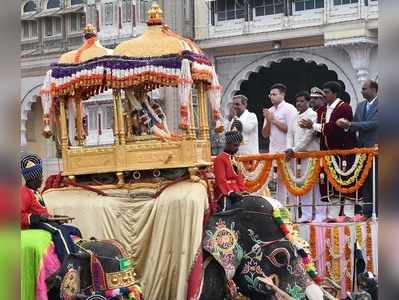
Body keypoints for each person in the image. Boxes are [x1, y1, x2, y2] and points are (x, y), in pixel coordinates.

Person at [300, 81, 356, 220]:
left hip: (343, 151)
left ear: (335, 93)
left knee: (346, 180)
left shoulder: (345, 108)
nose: (324, 94)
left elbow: (334, 129)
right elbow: (320, 131)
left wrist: (313, 126)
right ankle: (332, 215)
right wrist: (310, 127)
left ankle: (349, 214)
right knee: (331, 182)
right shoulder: (323, 110)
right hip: (327, 153)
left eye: (327, 92)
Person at [21, 153, 81, 262]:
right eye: (40, 177)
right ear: (33, 178)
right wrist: (36, 218)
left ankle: (80, 256)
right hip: (35, 226)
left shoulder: (36, 192)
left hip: (44, 222)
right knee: (59, 231)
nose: (42, 179)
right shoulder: (24, 192)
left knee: (74, 230)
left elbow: (43, 215)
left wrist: (56, 218)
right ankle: (70, 264)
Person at [336, 80, 378, 218]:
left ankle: (377, 211)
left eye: (364, 89)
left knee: (377, 180)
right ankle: (367, 211)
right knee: (365, 181)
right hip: (362, 149)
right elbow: (354, 125)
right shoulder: (361, 106)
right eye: (362, 89)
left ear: (373, 89)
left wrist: (351, 123)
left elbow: (374, 124)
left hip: (377, 149)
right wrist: (345, 125)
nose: (362, 91)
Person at [285, 91, 325, 223]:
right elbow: (289, 134)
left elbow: (308, 136)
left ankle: (320, 214)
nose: (299, 103)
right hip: (298, 155)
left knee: (316, 185)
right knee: (303, 184)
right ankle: (306, 214)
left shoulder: (313, 115)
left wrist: (294, 150)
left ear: (308, 102)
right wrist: (289, 149)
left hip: (311, 154)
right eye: (297, 101)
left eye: (302, 101)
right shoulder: (294, 116)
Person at [261, 83, 298, 205]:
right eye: (270, 94)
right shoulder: (270, 111)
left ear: (282, 95)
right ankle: (281, 209)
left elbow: (291, 130)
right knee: (279, 182)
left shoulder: (290, 109)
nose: (271, 97)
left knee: (290, 181)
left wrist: (274, 120)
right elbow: (265, 134)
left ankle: (294, 210)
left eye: (274, 94)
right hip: (273, 151)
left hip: (287, 151)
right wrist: (268, 121)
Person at [213, 130, 247, 211]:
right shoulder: (220, 159)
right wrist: (230, 192)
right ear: (228, 144)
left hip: (237, 191)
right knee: (227, 210)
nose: (237, 148)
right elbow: (220, 180)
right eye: (235, 145)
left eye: (238, 146)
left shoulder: (235, 158)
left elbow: (239, 178)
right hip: (224, 193)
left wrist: (242, 191)